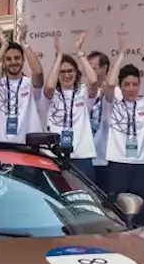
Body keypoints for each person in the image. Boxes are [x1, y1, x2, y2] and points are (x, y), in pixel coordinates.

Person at [97, 35, 144, 225]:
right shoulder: (111, 103)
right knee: (117, 213)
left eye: (135, 84)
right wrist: (121, 54)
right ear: (121, 87)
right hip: (118, 165)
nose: (131, 89)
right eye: (127, 85)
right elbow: (111, 84)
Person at [41, 32, 101, 181]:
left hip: (81, 155)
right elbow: (49, 85)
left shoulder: (83, 92)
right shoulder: (51, 93)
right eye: (62, 72)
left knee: (83, 199)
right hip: (55, 155)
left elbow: (93, 81)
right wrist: (59, 57)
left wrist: (80, 54)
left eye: (70, 71)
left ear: (76, 73)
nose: (66, 75)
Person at [0, 29, 46, 144]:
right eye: (8, 59)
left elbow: (38, 72)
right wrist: (3, 47)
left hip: (27, 147)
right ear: (3, 62)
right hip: (1, 146)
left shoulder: (30, 84)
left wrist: (23, 42)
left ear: (23, 60)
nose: (13, 62)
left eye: (17, 58)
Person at [87, 50, 112, 190]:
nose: (90, 72)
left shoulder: (116, 94)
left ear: (104, 68)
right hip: (85, 155)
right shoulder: (83, 93)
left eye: (94, 68)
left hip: (105, 158)